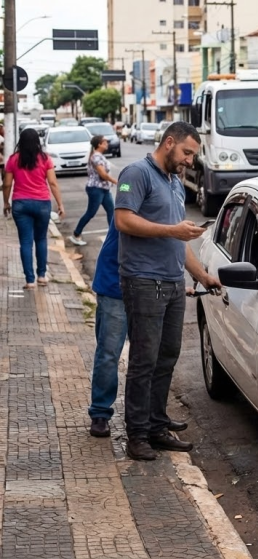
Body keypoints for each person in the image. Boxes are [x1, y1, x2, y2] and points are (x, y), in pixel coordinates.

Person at [114, 121, 221, 461]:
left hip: (174, 284)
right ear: (169, 142)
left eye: (193, 155)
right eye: (187, 153)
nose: (190, 161)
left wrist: (203, 276)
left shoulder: (175, 183)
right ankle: (137, 434)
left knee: (167, 356)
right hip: (144, 282)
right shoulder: (137, 173)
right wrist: (172, 230)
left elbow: (178, 241)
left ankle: (157, 425)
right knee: (144, 361)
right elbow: (123, 220)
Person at [88, 222, 192, 438]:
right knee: (109, 353)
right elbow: (133, 227)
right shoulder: (134, 197)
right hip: (115, 287)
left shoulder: (170, 194)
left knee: (150, 356)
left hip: (149, 291)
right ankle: (100, 413)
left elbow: (177, 244)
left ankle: (152, 418)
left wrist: (186, 281)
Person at [2, 128, 66, 289]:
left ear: (20, 141)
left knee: (25, 242)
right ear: (37, 141)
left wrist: (6, 203)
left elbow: (7, 184)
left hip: (21, 204)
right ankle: (42, 276)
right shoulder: (45, 159)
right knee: (41, 239)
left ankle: (29, 280)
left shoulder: (13, 159)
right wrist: (60, 204)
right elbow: (53, 183)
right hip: (42, 204)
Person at [69, 135, 118, 246]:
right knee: (91, 212)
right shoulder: (96, 157)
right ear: (99, 144)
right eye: (105, 141)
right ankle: (76, 234)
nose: (107, 143)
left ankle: (114, 236)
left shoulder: (99, 156)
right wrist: (116, 182)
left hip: (104, 188)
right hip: (96, 189)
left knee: (112, 211)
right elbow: (103, 174)